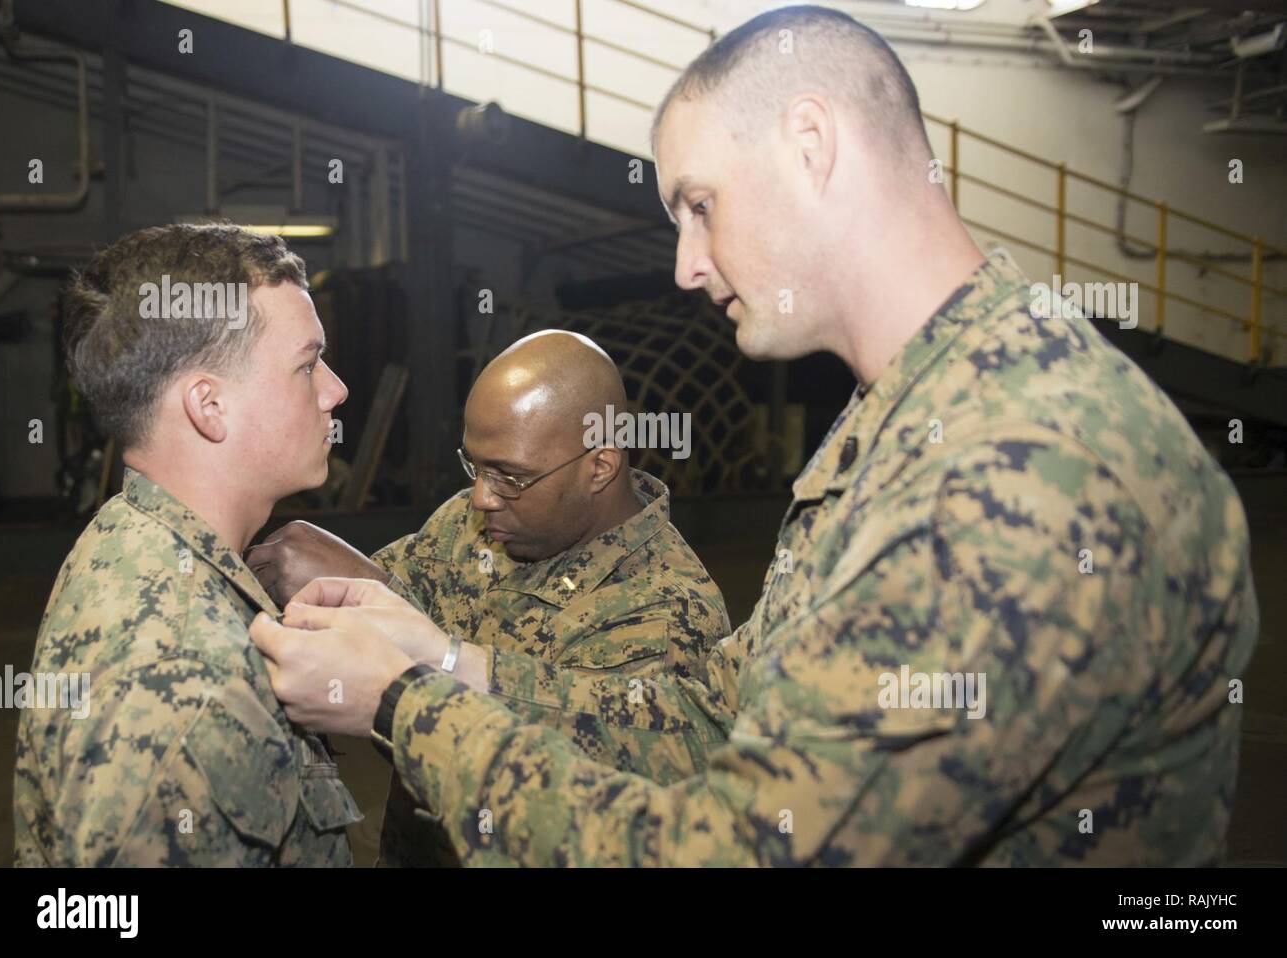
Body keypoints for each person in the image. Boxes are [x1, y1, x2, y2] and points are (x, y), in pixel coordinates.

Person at [251, 6, 1258, 866]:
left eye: (699, 205)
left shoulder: (1016, 466)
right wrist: (444, 660)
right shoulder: (911, 416)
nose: (686, 265)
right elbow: (715, 711)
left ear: (812, 146)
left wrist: (404, 706)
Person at [246, 330, 730, 865]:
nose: (481, 496)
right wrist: (360, 583)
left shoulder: (662, 619)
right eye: (475, 465)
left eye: (510, 476)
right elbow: (412, 599)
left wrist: (395, 676)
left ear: (600, 466)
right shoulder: (481, 520)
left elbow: (573, 812)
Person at [14, 223, 361, 866]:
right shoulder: (181, 674)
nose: (334, 390)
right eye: (307, 365)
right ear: (209, 406)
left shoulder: (135, 540)